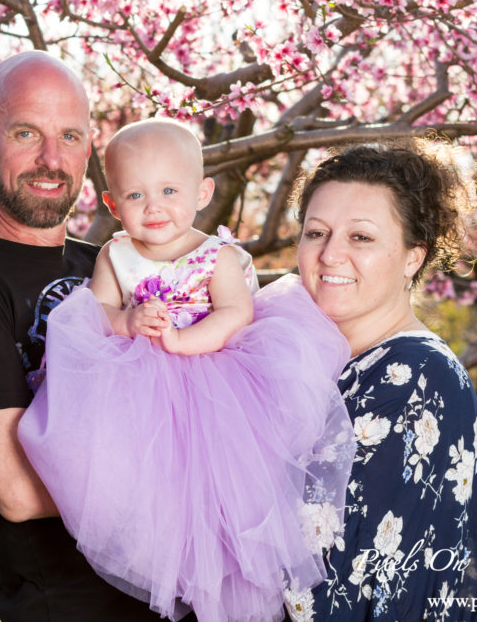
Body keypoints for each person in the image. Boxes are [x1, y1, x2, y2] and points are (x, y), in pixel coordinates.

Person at [18, 119, 356, 622]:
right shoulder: (116, 255)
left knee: (224, 490)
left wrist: (180, 341)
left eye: (169, 190)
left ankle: (229, 585)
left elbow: (236, 314)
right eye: (135, 195)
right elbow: (95, 312)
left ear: (202, 192)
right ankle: (172, 570)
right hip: (140, 389)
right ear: (112, 205)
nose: (153, 207)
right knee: (156, 490)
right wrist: (127, 321)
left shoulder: (216, 256)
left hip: (217, 385)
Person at [0, 51, 164, 621]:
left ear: (90, 146)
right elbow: (17, 492)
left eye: (69, 135)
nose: (51, 159)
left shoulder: (118, 267)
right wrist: (189, 474)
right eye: (26, 132)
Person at [281, 143, 477, 621]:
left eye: (361, 237)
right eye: (316, 232)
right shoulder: (302, 357)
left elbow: (357, 570)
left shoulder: (413, 378)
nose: (330, 254)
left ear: (412, 258)